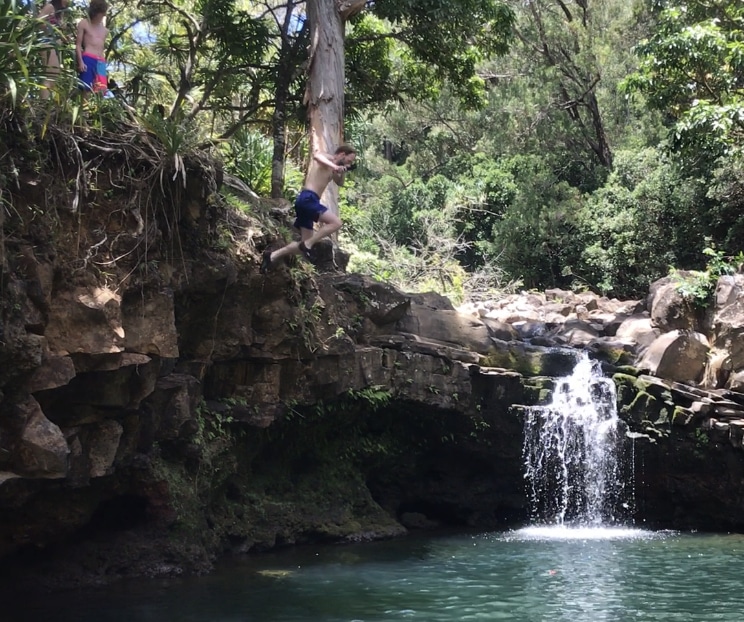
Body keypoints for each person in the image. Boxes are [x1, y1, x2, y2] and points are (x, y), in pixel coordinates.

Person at [260, 144, 357, 273]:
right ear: (342, 154)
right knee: (336, 223)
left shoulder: (334, 169)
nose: (350, 163)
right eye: (349, 160)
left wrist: (343, 170)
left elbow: (340, 183)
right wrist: (335, 166)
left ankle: (272, 256)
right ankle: (309, 243)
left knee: (302, 247)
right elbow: (316, 156)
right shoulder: (327, 159)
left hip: (310, 201)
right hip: (307, 198)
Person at [75, 0, 109, 96]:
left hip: (101, 61)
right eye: (101, 14)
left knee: (102, 90)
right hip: (88, 58)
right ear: (95, 12)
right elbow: (78, 44)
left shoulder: (105, 30)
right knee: (85, 88)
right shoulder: (84, 23)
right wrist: (80, 61)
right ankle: (83, 110)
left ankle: (94, 110)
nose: (102, 16)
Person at [38, 0, 69, 98]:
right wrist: (51, 28)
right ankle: (43, 104)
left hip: (56, 46)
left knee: (54, 76)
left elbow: (58, 32)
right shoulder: (50, 7)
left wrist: (64, 37)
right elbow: (38, 21)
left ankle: (47, 104)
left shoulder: (61, 13)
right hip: (48, 43)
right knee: (50, 76)